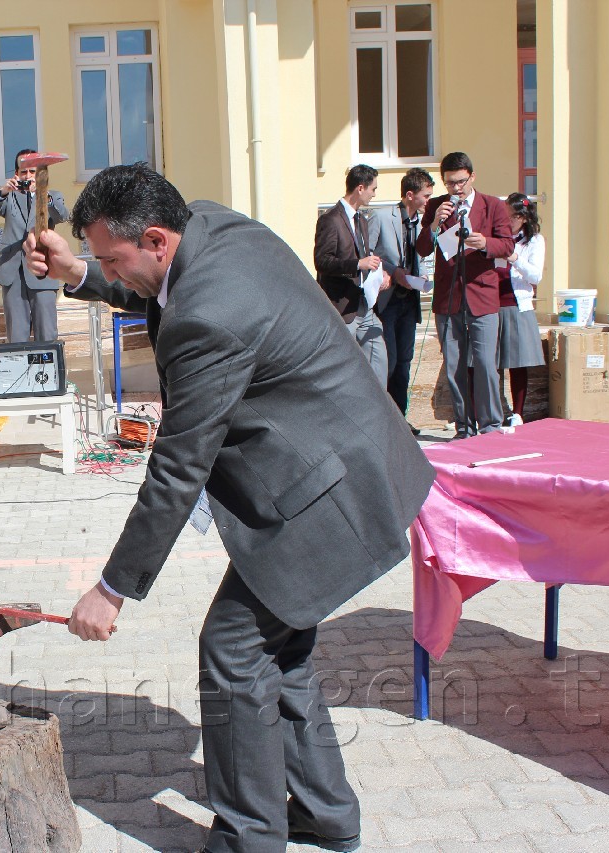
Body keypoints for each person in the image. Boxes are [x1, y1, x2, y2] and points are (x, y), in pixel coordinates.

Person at [25, 163, 435, 853]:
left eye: (112, 260)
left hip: (328, 495)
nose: (111, 272)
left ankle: (250, 835)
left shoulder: (207, 315)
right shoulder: (209, 225)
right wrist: (79, 274)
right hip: (352, 459)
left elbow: (179, 465)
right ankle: (326, 812)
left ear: (155, 239)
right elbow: (161, 294)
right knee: (281, 649)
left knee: (233, 647)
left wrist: (113, 586)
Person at [415, 151, 515, 437]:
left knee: (484, 363)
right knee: (454, 364)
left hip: (482, 295)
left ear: (472, 176)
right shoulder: (436, 205)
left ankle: (491, 425)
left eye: (461, 181)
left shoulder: (493, 205)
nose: (456, 188)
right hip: (449, 297)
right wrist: (434, 224)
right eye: (450, 183)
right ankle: (464, 425)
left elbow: (507, 246)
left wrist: (486, 243)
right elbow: (422, 249)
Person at [368, 168, 436, 433]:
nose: (429, 200)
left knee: (405, 362)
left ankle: (400, 420)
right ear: (410, 195)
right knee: (389, 361)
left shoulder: (422, 223)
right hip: (387, 301)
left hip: (410, 301)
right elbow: (368, 253)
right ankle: (382, 421)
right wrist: (392, 271)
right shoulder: (382, 216)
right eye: (426, 195)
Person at [0, 148, 70, 342]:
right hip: (13, 272)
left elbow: (63, 215)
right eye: (24, 172)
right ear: (17, 174)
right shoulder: (10, 197)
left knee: (47, 333)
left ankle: (50, 371)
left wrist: (43, 194)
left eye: (33, 172)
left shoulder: (52, 196)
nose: (28, 176)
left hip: (42, 270)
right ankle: (20, 371)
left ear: (41, 174)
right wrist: (4, 190)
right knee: (16, 334)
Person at [314, 164, 388, 385]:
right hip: (342, 306)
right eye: (373, 189)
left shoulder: (362, 220)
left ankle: (379, 415)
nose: (374, 194)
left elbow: (364, 258)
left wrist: (377, 272)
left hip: (365, 303)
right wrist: (358, 264)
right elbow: (322, 261)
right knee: (343, 369)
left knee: (378, 361)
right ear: (360, 188)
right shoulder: (331, 219)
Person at [496, 193, 545, 426]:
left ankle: (518, 412)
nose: (508, 221)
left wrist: (515, 257)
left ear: (523, 218)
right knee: (492, 362)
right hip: (492, 304)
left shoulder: (534, 241)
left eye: (513, 217)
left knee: (517, 362)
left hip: (517, 304)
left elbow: (535, 275)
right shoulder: (498, 236)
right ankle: (495, 409)